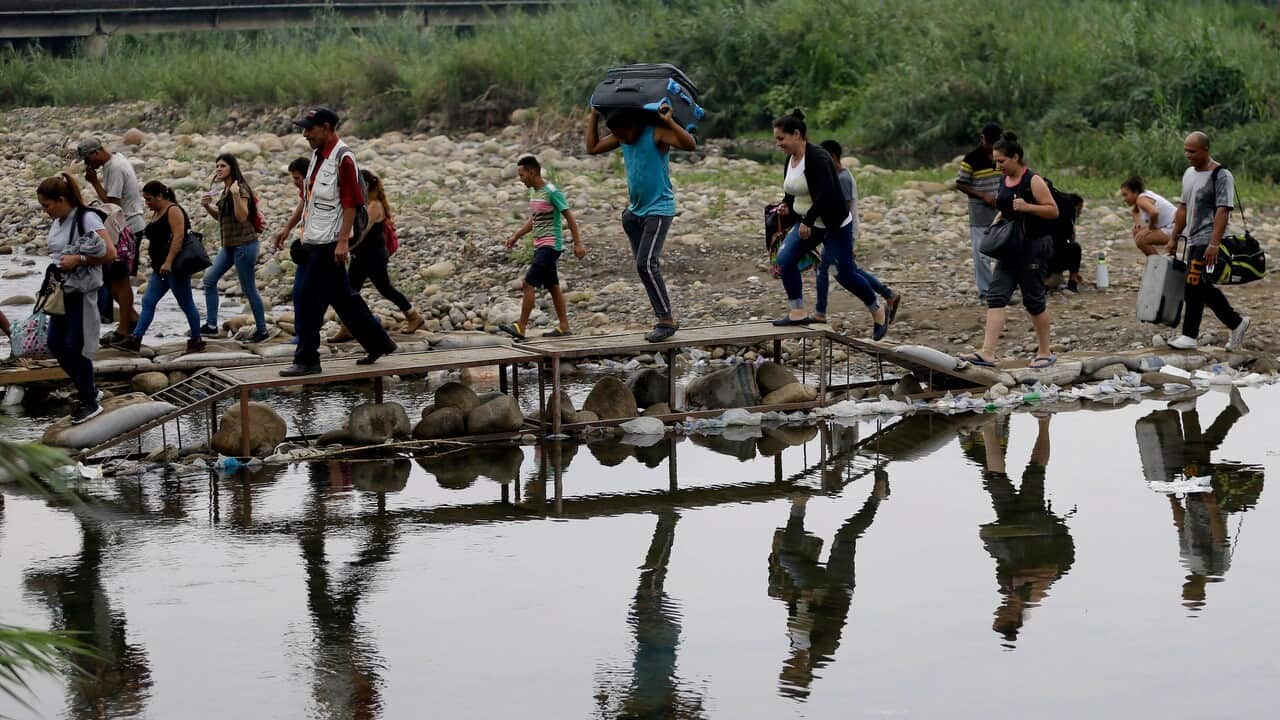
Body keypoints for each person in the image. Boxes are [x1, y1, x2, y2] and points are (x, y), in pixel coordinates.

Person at [273, 107, 396, 377]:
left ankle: (307, 359)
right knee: (343, 297)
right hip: (313, 239)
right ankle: (379, 343)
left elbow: (351, 202)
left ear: (327, 127)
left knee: (305, 298)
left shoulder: (344, 158)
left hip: (330, 243)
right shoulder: (317, 156)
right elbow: (309, 198)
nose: (305, 134)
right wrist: (288, 228)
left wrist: (343, 242)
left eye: (309, 128)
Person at [585, 104, 696, 342]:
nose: (621, 138)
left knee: (646, 264)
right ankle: (663, 316)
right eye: (616, 133)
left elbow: (690, 145)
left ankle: (666, 320)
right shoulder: (621, 136)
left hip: (659, 209)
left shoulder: (655, 132)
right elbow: (592, 148)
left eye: (623, 132)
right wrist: (594, 116)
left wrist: (669, 122)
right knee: (643, 267)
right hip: (634, 213)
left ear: (633, 124)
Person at [770, 111, 887, 338]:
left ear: (796, 134)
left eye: (780, 139)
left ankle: (877, 309)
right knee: (784, 259)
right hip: (808, 223)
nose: (778, 144)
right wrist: (785, 203)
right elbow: (791, 190)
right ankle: (797, 311)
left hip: (834, 225)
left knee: (843, 274)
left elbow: (826, 194)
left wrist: (808, 220)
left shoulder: (818, 158)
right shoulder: (791, 158)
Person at [962, 133, 1058, 369]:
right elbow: (1005, 208)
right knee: (996, 297)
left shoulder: (1033, 180)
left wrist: (1028, 207)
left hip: (1033, 248)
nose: (998, 166)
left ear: (1015, 157)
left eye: (1002, 161)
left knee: (1033, 302)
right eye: (996, 161)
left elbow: (1053, 211)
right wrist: (995, 223)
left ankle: (1045, 351)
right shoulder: (1004, 181)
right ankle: (987, 352)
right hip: (1010, 248)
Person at [37, 174, 115, 423]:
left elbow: (110, 253)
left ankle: (90, 402)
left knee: (75, 345)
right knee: (56, 344)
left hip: (83, 292)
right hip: (63, 290)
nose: (45, 211)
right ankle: (89, 390)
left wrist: (79, 259)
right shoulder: (58, 220)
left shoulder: (86, 217)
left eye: (47, 206)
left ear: (61, 200)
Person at [1166, 132, 1251, 351]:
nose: (1188, 155)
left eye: (1192, 151)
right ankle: (1235, 323)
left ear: (1205, 150)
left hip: (1209, 238)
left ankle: (1191, 335)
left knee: (1194, 283)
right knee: (1197, 285)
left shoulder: (1221, 175)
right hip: (1192, 238)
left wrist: (1214, 244)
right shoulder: (1188, 174)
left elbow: (1223, 211)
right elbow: (1183, 208)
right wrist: (1174, 236)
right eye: (1186, 150)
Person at [813, 139, 900, 326]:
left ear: (833, 157)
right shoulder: (836, 176)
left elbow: (840, 213)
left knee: (829, 270)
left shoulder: (842, 179)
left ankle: (822, 312)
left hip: (842, 231)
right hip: (839, 232)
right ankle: (889, 295)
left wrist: (833, 237)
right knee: (848, 270)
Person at [499, 155, 586, 339]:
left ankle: (521, 326)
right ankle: (564, 327)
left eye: (522, 175)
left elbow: (569, 217)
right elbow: (535, 218)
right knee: (553, 286)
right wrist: (517, 235)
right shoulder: (534, 193)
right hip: (540, 245)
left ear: (532, 172)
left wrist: (578, 243)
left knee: (528, 283)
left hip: (551, 245)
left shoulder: (552, 191)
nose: (520, 179)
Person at [330, 169, 424, 340]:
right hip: (361, 255)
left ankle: (413, 316)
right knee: (349, 291)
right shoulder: (364, 204)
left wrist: (344, 248)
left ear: (366, 184)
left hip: (373, 255)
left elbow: (362, 234)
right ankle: (347, 327)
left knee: (384, 288)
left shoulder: (374, 206)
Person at [114, 181, 206, 353]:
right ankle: (135, 339)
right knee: (148, 301)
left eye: (149, 199)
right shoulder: (157, 212)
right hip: (160, 268)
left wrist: (169, 262)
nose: (147, 203)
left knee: (186, 303)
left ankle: (196, 339)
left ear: (160, 196)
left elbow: (178, 237)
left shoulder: (173, 210)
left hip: (174, 267)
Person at [77, 137, 142, 343]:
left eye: (88, 160)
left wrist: (94, 182)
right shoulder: (116, 159)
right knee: (116, 282)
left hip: (125, 228)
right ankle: (133, 321)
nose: (88, 165)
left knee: (119, 282)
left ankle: (124, 330)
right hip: (127, 225)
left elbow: (112, 204)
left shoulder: (113, 168)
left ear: (96, 153)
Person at [199, 153, 268, 343]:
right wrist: (207, 207)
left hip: (245, 246)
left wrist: (236, 195)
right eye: (217, 166)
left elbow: (241, 216)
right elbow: (222, 218)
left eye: (223, 166)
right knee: (209, 280)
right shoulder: (226, 189)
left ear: (232, 168)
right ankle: (211, 326)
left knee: (249, 288)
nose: (218, 169)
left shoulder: (240, 188)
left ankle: (262, 330)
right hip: (229, 245)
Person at [955, 122, 1005, 301]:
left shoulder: (1002, 156)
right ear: (982, 139)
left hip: (1002, 211)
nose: (991, 147)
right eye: (988, 143)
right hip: (980, 212)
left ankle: (1002, 288)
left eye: (994, 144)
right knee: (981, 253)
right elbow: (960, 183)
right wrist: (983, 196)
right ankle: (986, 292)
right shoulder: (971, 159)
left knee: (1005, 251)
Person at [1121, 175, 1176, 257]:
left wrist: (1150, 228)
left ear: (1135, 192)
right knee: (1138, 233)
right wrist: (1138, 225)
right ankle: (1159, 262)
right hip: (1173, 226)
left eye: (1125, 195)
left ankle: (1157, 265)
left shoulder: (1141, 200)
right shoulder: (1143, 196)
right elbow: (1134, 212)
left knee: (1141, 240)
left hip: (1176, 229)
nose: (1124, 199)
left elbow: (1154, 212)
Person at [1046, 193, 1084, 292]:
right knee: (1075, 248)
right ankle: (1072, 282)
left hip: (1042, 261)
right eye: (1079, 208)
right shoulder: (1067, 218)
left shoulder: (1051, 214)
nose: (1080, 212)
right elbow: (1070, 239)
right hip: (1052, 261)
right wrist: (1074, 268)